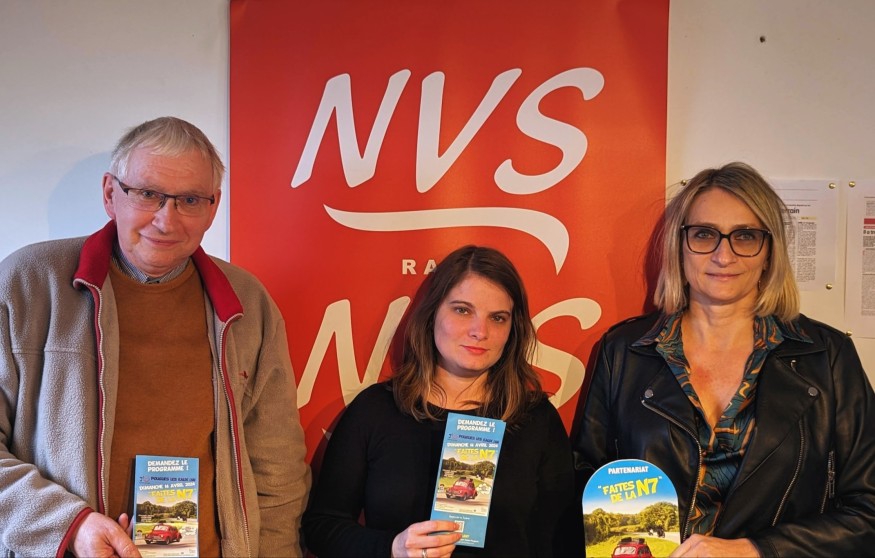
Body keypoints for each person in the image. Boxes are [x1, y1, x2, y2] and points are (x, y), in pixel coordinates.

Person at [0, 116, 310, 557]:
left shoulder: (247, 303)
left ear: (213, 207)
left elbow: (277, 472)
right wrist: (69, 525)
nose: (166, 221)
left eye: (189, 200)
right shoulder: (27, 284)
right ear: (110, 194)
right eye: (148, 194)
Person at [573, 162, 875, 556]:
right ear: (679, 246)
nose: (723, 255)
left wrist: (755, 550)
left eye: (745, 236)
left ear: (769, 252)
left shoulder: (827, 356)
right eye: (704, 234)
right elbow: (584, 480)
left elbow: (868, 511)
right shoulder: (625, 350)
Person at [302, 245, 582, 557]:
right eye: (463, 310)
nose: (480, 331)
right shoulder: (376, 410)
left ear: (512, 330)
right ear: (432, 313)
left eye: (498, 318)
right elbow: (323, 526)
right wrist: (392, 548)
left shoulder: (536, 419)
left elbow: (561, 541)